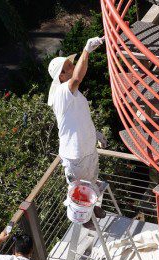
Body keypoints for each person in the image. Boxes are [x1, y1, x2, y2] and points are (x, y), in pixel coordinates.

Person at [47, 36, 107, 220]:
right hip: (74, 155)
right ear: (61, 76)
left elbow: (80, 119)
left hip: (87, 149)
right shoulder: (62, 92)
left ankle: (93, 208)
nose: (72, 68)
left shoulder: (73, 93)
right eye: (68, 68)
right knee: (78, 191)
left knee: (92, 183)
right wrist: (86, 51)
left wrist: (94, 133)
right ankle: (82, 220)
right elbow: (77, 78)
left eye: (72, 65)